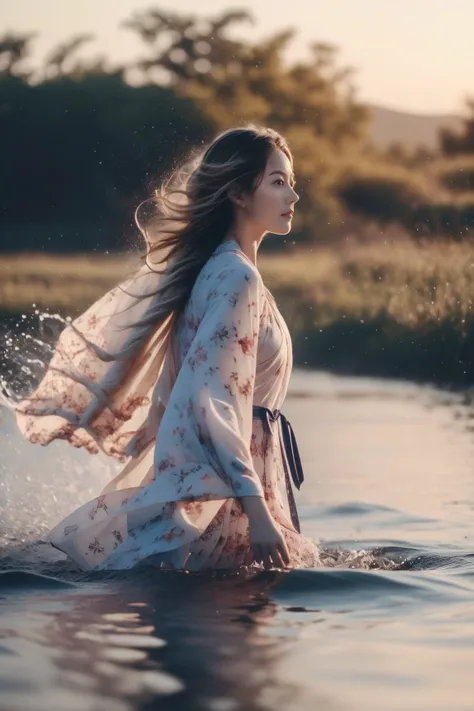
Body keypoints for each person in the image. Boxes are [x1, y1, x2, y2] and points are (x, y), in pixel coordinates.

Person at [14, 125, 320, 572]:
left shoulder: (218, 270)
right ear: (237, 192)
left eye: (291, 183)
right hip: (228, 495)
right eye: (278, 182)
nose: (292, 196)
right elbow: (211, 398)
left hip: (230, 480)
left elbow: (184, 379)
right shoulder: (235, 277)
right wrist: (257, 513)